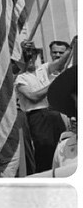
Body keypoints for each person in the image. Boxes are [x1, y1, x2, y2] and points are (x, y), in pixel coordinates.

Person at [14, 39, 71, 172]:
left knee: (61, 145)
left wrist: (72, 46)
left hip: (53, 113)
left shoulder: (44, 68)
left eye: (33, 56)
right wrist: (54, 84)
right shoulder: (20, 78)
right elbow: (34, 97)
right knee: (44, 149)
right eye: (27, 57)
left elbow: (61, 61)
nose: (31, 60)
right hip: (36, 117)